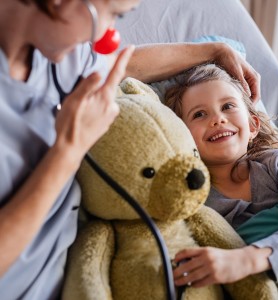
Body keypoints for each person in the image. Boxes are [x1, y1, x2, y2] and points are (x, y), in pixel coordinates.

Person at [0, 0, 261, 299]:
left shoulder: (58, 53)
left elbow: (123, 65)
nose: (109, 34)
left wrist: (214, 52)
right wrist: (67, 152)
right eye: (112, 14)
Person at [164, 64, 278, 288]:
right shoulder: (196, 203)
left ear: (253, 126)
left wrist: (244, 260)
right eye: (199, 114)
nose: (217, 119)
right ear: (183, 136)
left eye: (228, 106)